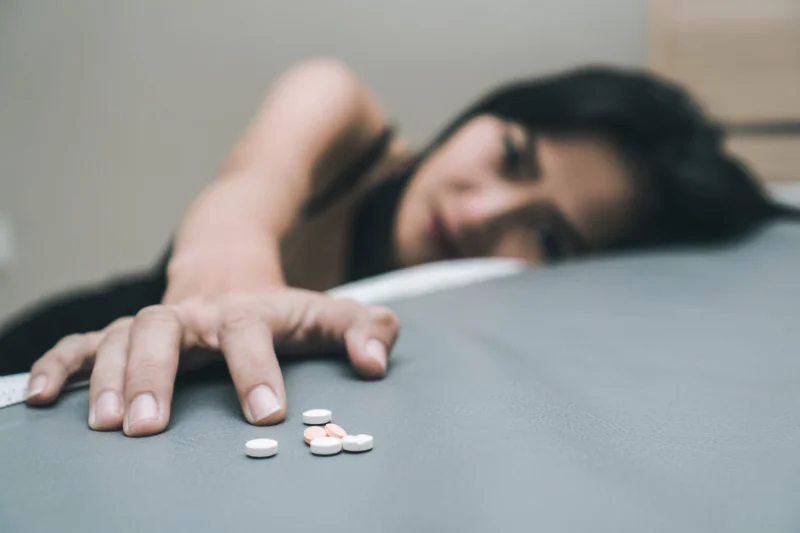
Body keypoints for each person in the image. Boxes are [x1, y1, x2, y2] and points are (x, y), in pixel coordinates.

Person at [0, 58, 796, 437]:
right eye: (511, 155)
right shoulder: (335, 106)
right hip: (85, 352)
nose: (481, 210)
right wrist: (224, 303)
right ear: (492, 108)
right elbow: (249, 188)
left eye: (548, 237)